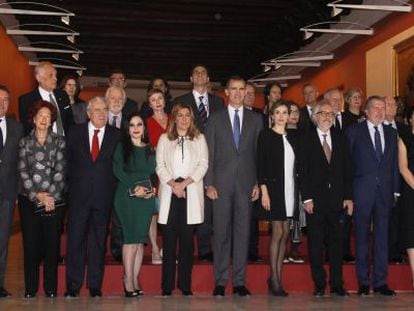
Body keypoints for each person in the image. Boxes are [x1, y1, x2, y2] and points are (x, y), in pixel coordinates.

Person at [205, 76, 263, 297]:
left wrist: (258, 182)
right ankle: (220, 281)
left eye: (242, 89)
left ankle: (239, 282)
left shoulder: (256, 119)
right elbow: (209, 153)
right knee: (221, 233)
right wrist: (209, 183)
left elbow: (259, 155)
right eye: (234, 89)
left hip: (247, 184)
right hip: (220, 185)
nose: (238, 93)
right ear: (226, 92)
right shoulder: (215, 119)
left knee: (242, 233)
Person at [65, 97, 121, 298]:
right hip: (78, 197)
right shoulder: (75, 132)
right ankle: (73, 285)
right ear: (88, 113)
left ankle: (95, 285)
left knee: (98, 242)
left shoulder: (116, 135)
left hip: (103, 198)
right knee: (76, 241)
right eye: (97, 110)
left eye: (104, 110)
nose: (101, 113)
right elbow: (66, 163)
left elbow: (119, 166)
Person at [346, 96, 399, 296]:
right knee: (361, 237)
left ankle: (380, 282)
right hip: (361, 192)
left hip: (385, 193)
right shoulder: (353, 132)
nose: (379, 111)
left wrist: (395, 190)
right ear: (366, 112)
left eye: (382, 108)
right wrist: (348, 194)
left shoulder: (391, 133)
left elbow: (393, 164)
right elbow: (347, 165)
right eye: (375, 107)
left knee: (381, 238)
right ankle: (363, 281)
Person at [299, 101, 353, 297]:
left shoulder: (341, 138)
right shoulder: (306, 139)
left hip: (337, 201)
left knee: (337, 245)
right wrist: (306, 199)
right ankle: (320, 284)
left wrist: (348, 197)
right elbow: (302, 172)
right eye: (322, 113)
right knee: (315, 245)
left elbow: (348, 170)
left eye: (331, 114)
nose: (327, 117)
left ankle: (337, 285)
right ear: (314, 117)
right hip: (315, 202)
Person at [156, 103, 208, 296]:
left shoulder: (199, 138)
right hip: (170, 193)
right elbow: (159, 165)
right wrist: (173, 184)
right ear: (174, 118)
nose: (184, 119)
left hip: (190, 192)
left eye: (187, 115)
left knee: (187, 244)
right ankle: (167, 286)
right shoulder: (164, 138)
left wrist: (184, 183)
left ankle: (185, 285)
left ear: (191, 118)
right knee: (169, 243)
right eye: (180, 115)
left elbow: (203, 164)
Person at [173, 64, 224, 262]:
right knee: (190, 205)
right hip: (189, 162)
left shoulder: (219, 102)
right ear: (191, 78)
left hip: (216, 161)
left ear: (208, 78)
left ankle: (207, 248)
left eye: (204, 72)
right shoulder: (180, 101)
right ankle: (191, 248)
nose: (200, 75)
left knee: (209, 207)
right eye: (196, 73)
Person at [18, 100, 66, 298]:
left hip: (53, 202)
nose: (44, 119)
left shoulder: (59, 141)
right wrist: (37, 195)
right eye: (41, 116)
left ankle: (51, 288)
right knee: (30, 245)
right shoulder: (24, 142)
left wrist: (49, 197)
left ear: (52, 120)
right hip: (29, 201)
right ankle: (30, 289)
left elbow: (60, 171)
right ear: (34, 119)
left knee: (51, 245)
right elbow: (22, 171)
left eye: (48, 116)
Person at [257, 101, 299, 296]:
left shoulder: (294, 137)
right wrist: (264, 191)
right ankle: (274, 279)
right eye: (278, 113)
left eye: (285, 112)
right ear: (272, 116)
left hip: (290, 189)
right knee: (277, 232)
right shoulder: (266, 135)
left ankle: (277, 277)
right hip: (273, 190)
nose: (282, 116)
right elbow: (261, 164)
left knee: (285, 233)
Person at [113, 112, 156, 297]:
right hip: (127, 196)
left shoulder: (150, 149)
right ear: (127, 128)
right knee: (130, 240)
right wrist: (135, 186)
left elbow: (153, 173)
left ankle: (135, 278)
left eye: (139, 124)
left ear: (144, 128)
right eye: (132, 125)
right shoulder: (122, 147)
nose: (136, 128)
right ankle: (127, 280)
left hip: (145, 199)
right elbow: (117, 170)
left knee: (139, 241)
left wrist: (152, 189)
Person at [0, 85, 23, 298]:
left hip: (7, 193)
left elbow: (20, 162)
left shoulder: (16, 127)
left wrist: (17, 192)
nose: (2, 104)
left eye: (6, 100)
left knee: (2, 240)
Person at [384, 95, 409, 264]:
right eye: (388, 104)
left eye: (394, 104)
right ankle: (387, 252)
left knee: (401, 217)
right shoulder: (376, 129)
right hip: (385, 180)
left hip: (405, 181)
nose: (392, 107)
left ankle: (399, 250)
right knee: (387, 218)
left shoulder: (404, 129)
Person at [105, 85, 129, 262]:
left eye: (120, 99)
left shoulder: (131, 123)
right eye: (112, 99)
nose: (116, 102)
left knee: (120, 215)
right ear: (106, 101)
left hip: (123, 177)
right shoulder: (98, 120)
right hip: (102, 177)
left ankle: (118, 249)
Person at [146, 88, 170, 264]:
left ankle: (167, 249)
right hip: (153, 172)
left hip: (173, 171)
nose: (157, 102)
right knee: (153, 213)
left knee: (170, 211)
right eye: (153, 99)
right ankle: (154, 249)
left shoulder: (173, 119)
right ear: (149, 104)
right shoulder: (146, 122)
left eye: (160, 98)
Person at [19, 61, 73, 136]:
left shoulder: (63, 95)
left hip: (65, 142)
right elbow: (27, 128)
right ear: (39, 78)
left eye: (55, 75)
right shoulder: (26, 100)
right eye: (51, 75)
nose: (55, 79)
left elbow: (70, 121)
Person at [398, 107, 414, 289]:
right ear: (410, 120)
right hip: (410, 190)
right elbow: (403, 168)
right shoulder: (404, 140)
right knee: (412, 232)